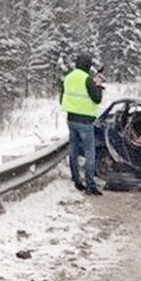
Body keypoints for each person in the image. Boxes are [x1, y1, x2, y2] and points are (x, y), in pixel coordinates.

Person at [60, 54, 105, 195]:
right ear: (88, 65)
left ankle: (76, 180)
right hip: (86, 121)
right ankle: (90, 184)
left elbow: (62, 98)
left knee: (73, 149)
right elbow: (97, 99)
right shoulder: (87, 80)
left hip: (71, 119)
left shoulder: (68, 77)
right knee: (89, 152)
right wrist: (98, 85)